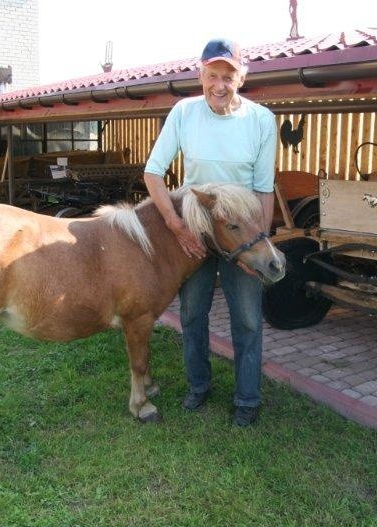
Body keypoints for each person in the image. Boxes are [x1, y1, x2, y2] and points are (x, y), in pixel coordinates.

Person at [143, 38, 277, 426]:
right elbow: (153, 173)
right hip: (197, 232)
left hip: (240, 233)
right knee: (192, 312)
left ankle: (247, 399)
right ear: (200, 74)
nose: (219, 85)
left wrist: (257, 245)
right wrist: (175, 224)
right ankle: (199, 387)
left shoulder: (261, 120)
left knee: (248, 318)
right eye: (212, 75)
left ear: (242, 77)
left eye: (228, 76)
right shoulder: (184, 112)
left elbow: (264, 188)